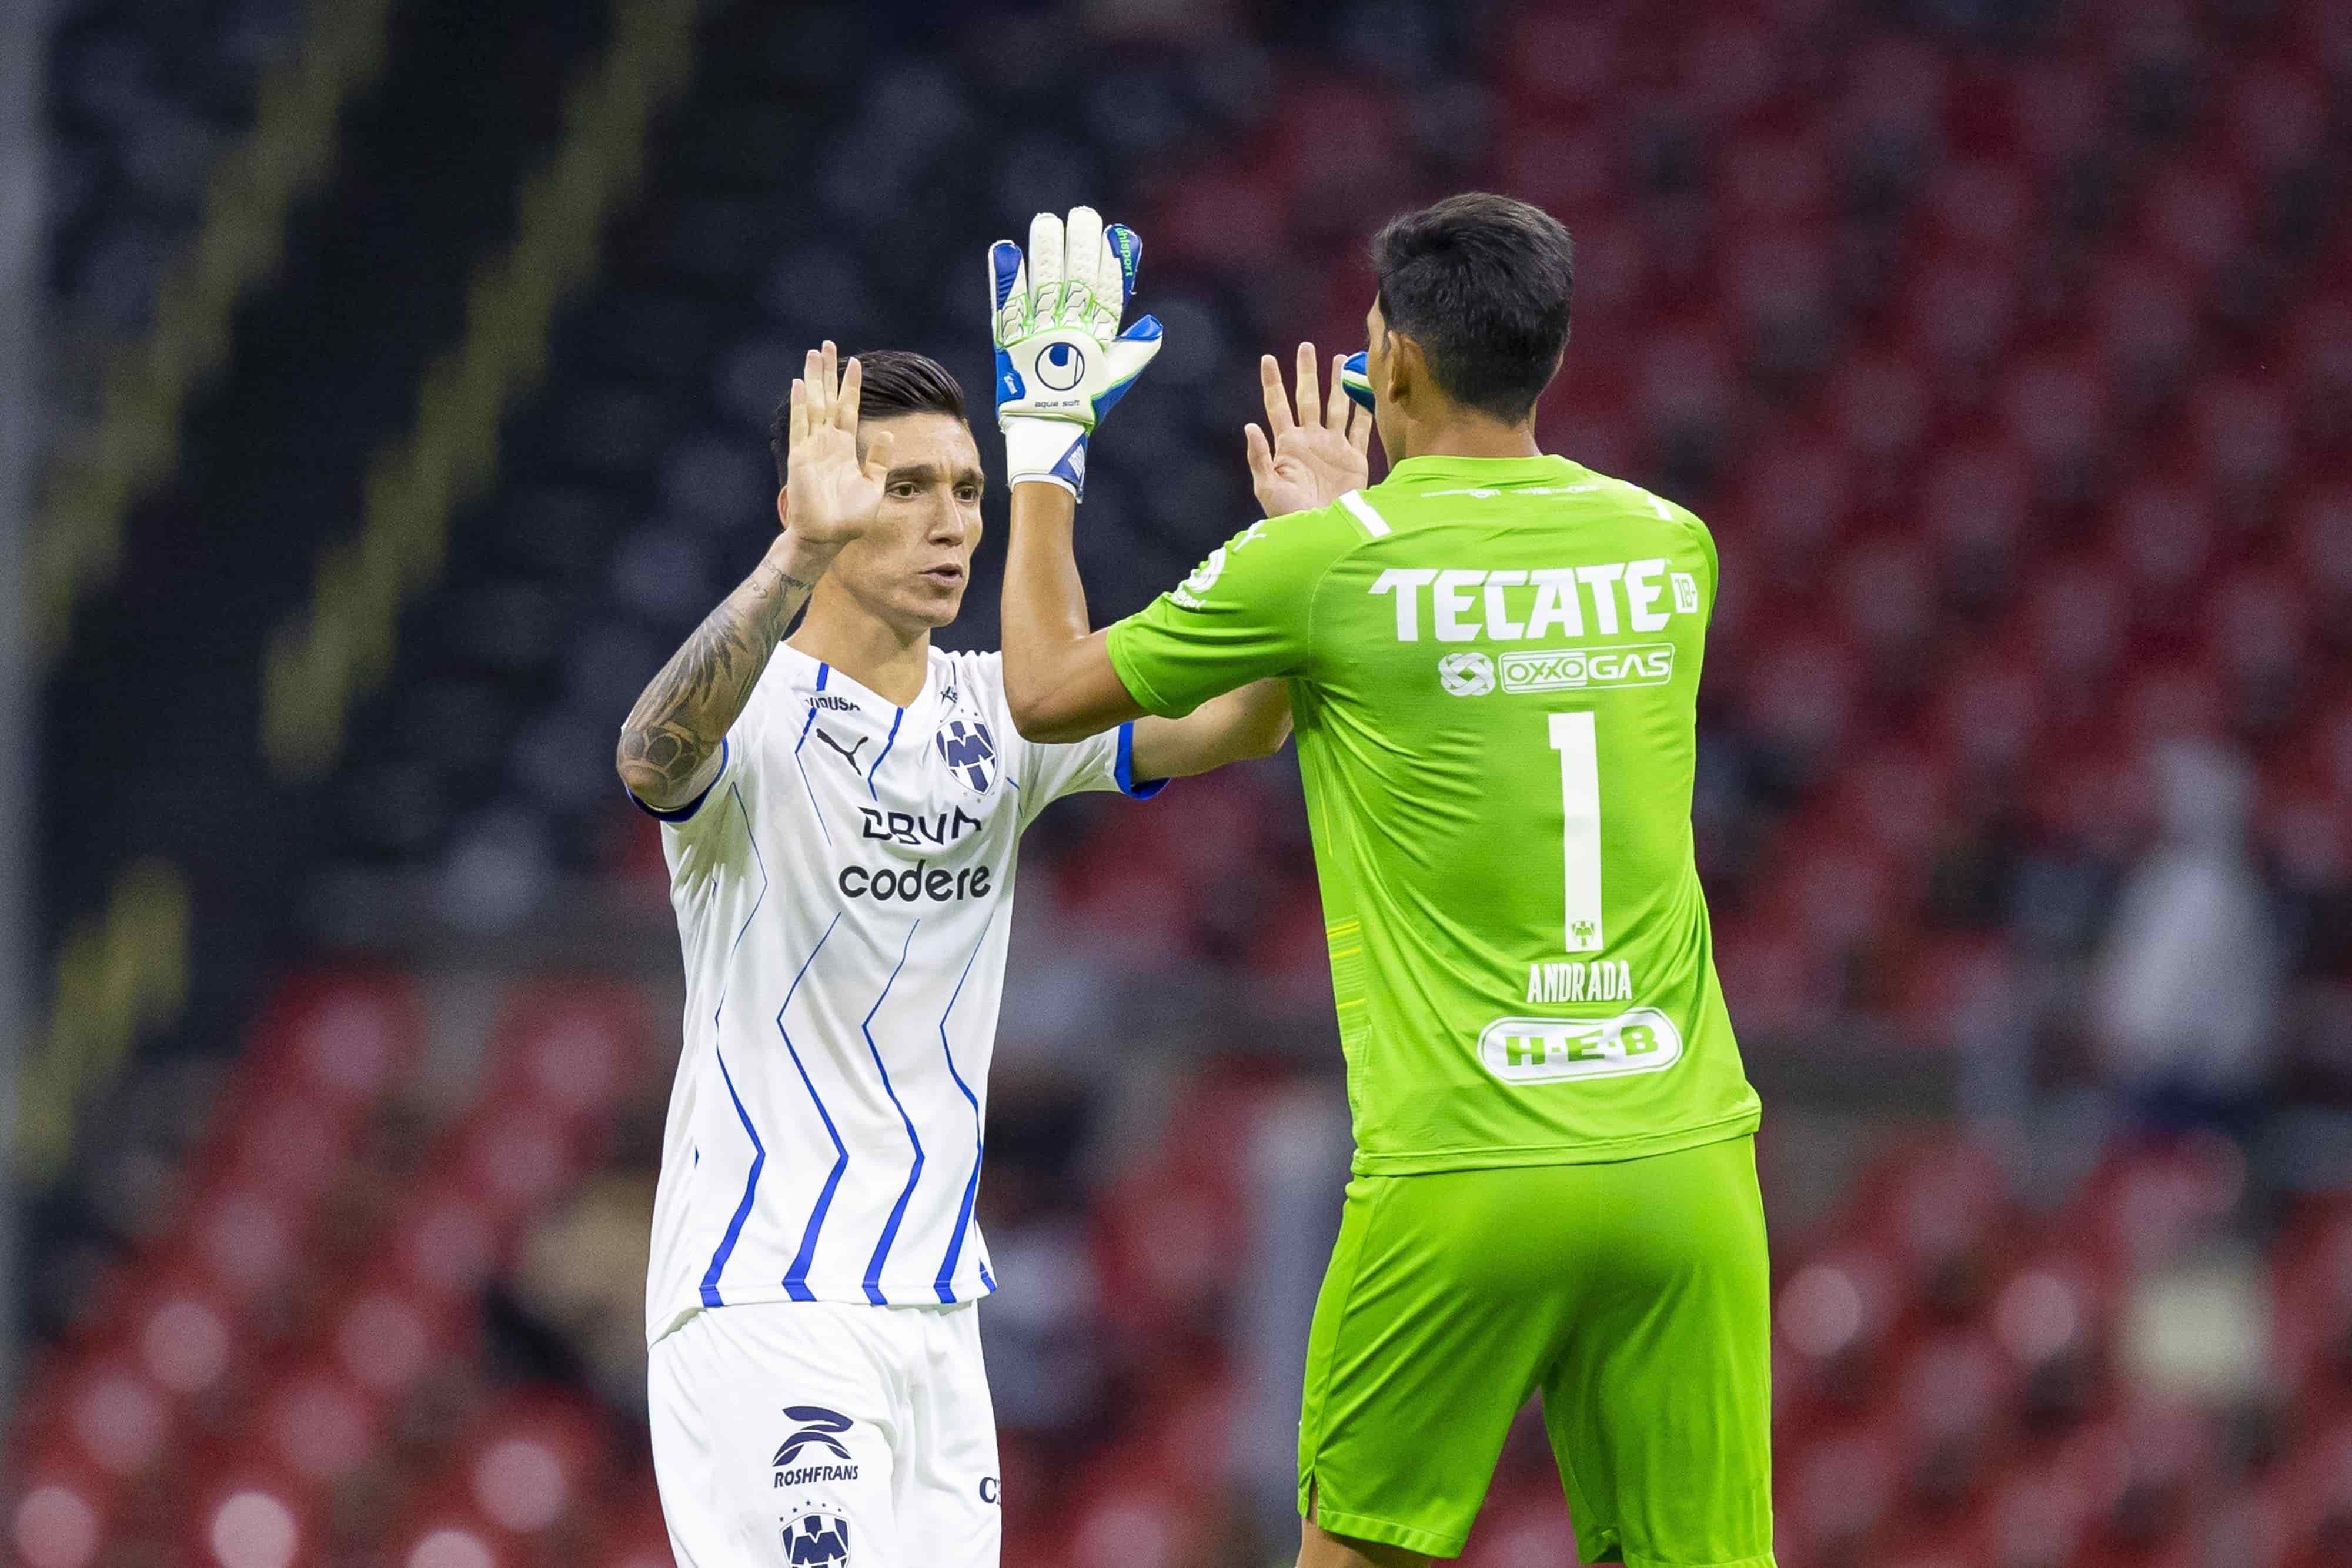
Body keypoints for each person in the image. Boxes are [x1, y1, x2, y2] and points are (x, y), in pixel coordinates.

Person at [992, 193, 1775, 1568]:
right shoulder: (1671, 546)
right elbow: (1484, 656)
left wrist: (1046, 455)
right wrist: (1357, 535)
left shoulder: (1325, 567)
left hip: (1464, 1167)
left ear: (1392, 364)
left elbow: (1046, 690)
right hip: (1684, 1159)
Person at [615, 339, 1289, 1567]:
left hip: (933, 1315)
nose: (950, 524)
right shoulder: (753, 719)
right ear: (813, 502)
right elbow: (649, 756)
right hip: (767, 1297)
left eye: (967, 490)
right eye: (905, 486)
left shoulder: (1000, 715)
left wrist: (1314, 554)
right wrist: (793, 562)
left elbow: (1243, 718)